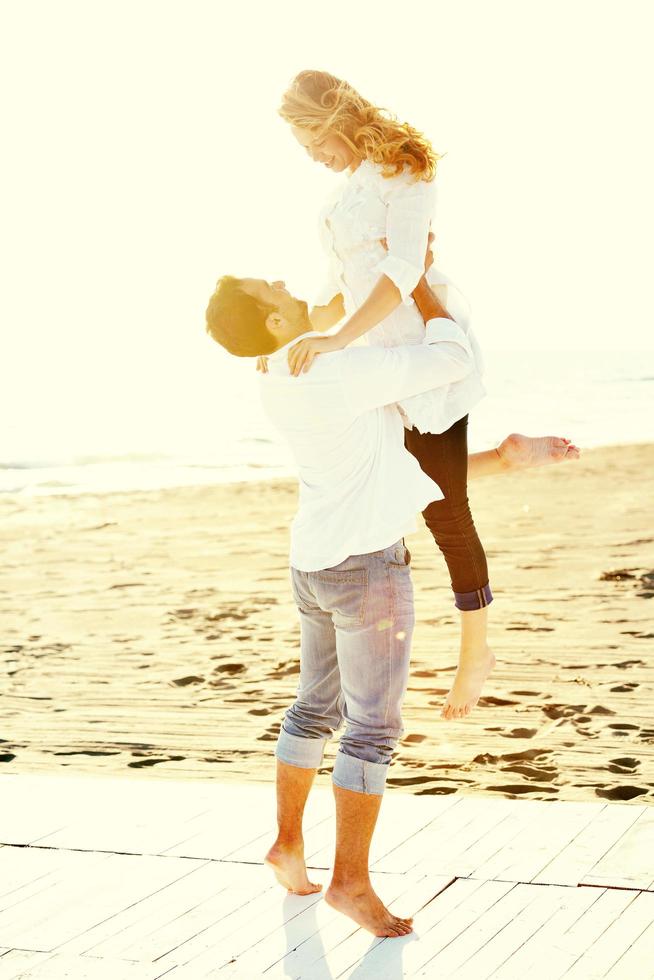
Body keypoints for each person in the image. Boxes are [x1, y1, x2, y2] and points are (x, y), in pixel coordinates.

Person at [204, 267, 579, 938]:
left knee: (312, 708)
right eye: (271, 289)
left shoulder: (273, 371)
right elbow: (452, 356)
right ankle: (350, 882)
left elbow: (397, 468)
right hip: (366, 572)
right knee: (372, 731)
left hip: (313, 563)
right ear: (275, 323)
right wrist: (417, 284)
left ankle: (288, 846)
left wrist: (505, 457)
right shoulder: (333, 372)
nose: (284, 281)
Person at [273, 69, 498, 722]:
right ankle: (514, 455)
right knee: (395, 487)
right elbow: (338, 282)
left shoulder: (406, 165)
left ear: (331, 118)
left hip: (427, 355)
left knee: (446, 509)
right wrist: (298, 336)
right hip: (374, 360)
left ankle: (474, 651)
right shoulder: (348, 189)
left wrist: (339, 337)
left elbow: (403, 269)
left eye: (310, 141)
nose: (312, 156)